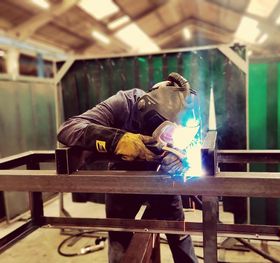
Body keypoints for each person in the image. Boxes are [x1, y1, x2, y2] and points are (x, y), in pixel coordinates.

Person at [57, 72, 199, 263]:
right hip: (123, 182)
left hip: (162, 181)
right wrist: (118, 140)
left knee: (180, 236)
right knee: (120, 245)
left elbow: (189, 146)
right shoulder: (124, 103)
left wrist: (180, 158)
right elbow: (68, 129)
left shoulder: (183, 117)